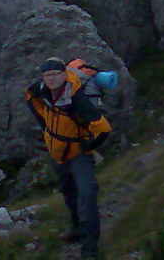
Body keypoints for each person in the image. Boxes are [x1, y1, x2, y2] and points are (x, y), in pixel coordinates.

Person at [25, 56, 111, 260]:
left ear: (64, 74)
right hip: (57, 152)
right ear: (43, 77)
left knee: (87, 195)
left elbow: (104, 129)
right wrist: (46, 125)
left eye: (55, 74)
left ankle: (90, 247)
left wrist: (88, 146)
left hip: (79, 154)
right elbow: (31, 98)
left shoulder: (77, 98)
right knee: (67, 191)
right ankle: (76, 228)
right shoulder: (41, 89)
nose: (51, 79)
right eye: (47, 75)